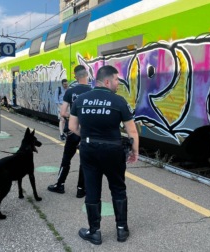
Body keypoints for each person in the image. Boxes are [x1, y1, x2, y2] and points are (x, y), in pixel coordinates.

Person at [69, 65, 139, 245]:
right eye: (116, 80)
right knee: (118, 187)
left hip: (89, 149)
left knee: (92, 189)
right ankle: (122, 230)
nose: (118, 83)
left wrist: (86, 138)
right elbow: (132, 132)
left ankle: (94, 232)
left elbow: (72, 127)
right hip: (113, 150)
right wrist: (134, 151)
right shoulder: (118, 101)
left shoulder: (81, 100)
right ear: (107, 81)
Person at [47, 65, 92, 198]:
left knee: (66, 159)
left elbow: (62, 112)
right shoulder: (92, 91)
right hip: (86, 132)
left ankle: (60, 185)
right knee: (84, 161)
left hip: (73, 131)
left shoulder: (70, 92)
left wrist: (72, 118)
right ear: (86, 75)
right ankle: (80, 189)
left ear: (75, 77)